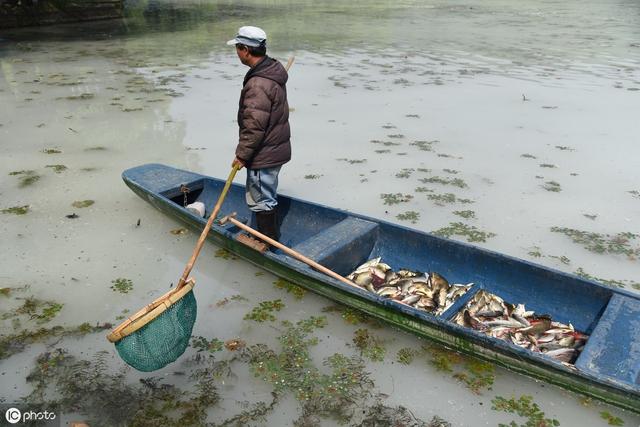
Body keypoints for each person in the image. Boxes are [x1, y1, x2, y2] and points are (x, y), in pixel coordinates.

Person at [226, 26, 291, 243]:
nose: (236, 53)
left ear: (245, 50)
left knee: (262, 199)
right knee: (266, 193)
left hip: (264, 153)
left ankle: (266, 241)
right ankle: (267, 236)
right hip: (275, 147)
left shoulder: (258, 83)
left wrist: (242, 155)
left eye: (237, 48)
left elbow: (254, 126)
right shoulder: (271, 69)